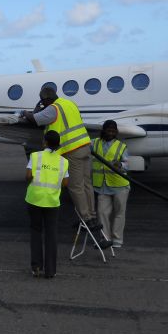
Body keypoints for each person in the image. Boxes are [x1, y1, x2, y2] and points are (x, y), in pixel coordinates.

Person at [21, 87, 99, 229]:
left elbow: (34, 118)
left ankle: (86, 219)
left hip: (73, 150)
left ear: (46, 99)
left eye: (42, 100)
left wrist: (25, 112)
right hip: (85, 146)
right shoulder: (69, 103)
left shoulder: (53, 109)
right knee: (87, 185)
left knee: (75, 187)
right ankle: (92, 215)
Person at [25, 130, 69, 278]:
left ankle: (36, 267)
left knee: (36, 231)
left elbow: (28, 175)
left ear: (44, 142)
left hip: (34, 199)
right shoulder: (63, 161)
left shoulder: (35, 156)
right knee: (51, 234)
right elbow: (65, 182)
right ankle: (51, 271)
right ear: (58, 145)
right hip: (52, 201)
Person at [91, 120, 130, 248]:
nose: (111, 133)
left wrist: (121, 165)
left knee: (119, 213)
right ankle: (105, 239)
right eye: (109, 130)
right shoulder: (94, 143)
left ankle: (117, 241)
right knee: (102, 212)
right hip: (102, 185)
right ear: (103, 130)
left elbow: (127, 164)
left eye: (113, 131)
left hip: (119, 185)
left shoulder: (121, 146)